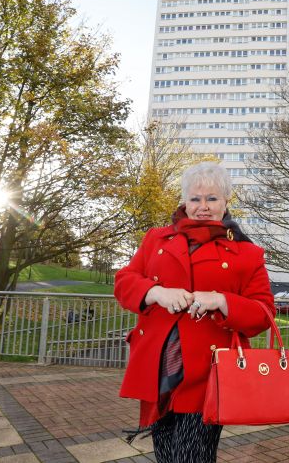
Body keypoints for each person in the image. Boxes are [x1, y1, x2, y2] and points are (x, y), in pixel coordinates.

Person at [114, 162, 275, 463]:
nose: (203, 207)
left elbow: (263, 313)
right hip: (158, 368)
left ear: (226, 202)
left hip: (208, 373)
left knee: (191, 457)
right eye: (195, 199)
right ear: (185, 202)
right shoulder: (155, 240)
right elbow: (124, 282)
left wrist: (222, 301)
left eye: (212, 199)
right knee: (166, 454)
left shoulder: (247, 252)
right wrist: (156, 292)